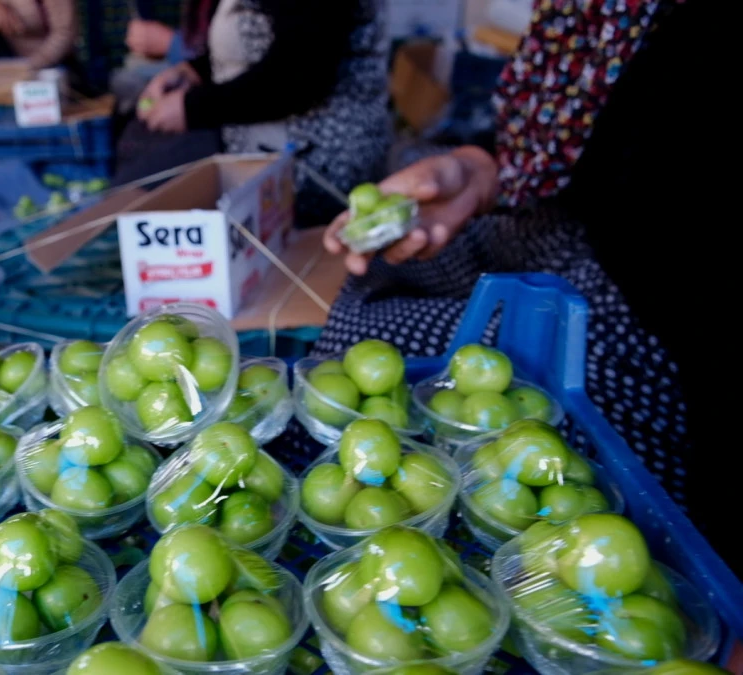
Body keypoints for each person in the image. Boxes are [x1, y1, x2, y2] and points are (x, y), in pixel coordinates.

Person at [312, 0, 729, 557]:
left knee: (362, 344)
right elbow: (592, 153)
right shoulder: (603, 12)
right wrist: (479, 173)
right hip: (569, 232)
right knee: (379, 269)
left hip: (646, 330)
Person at [115, 0, 391, 226]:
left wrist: (192, 107)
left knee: (131, 201)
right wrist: (194, 71)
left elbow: (300, 73)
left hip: (316, 169)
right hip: (263, 158)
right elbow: (258, 46)